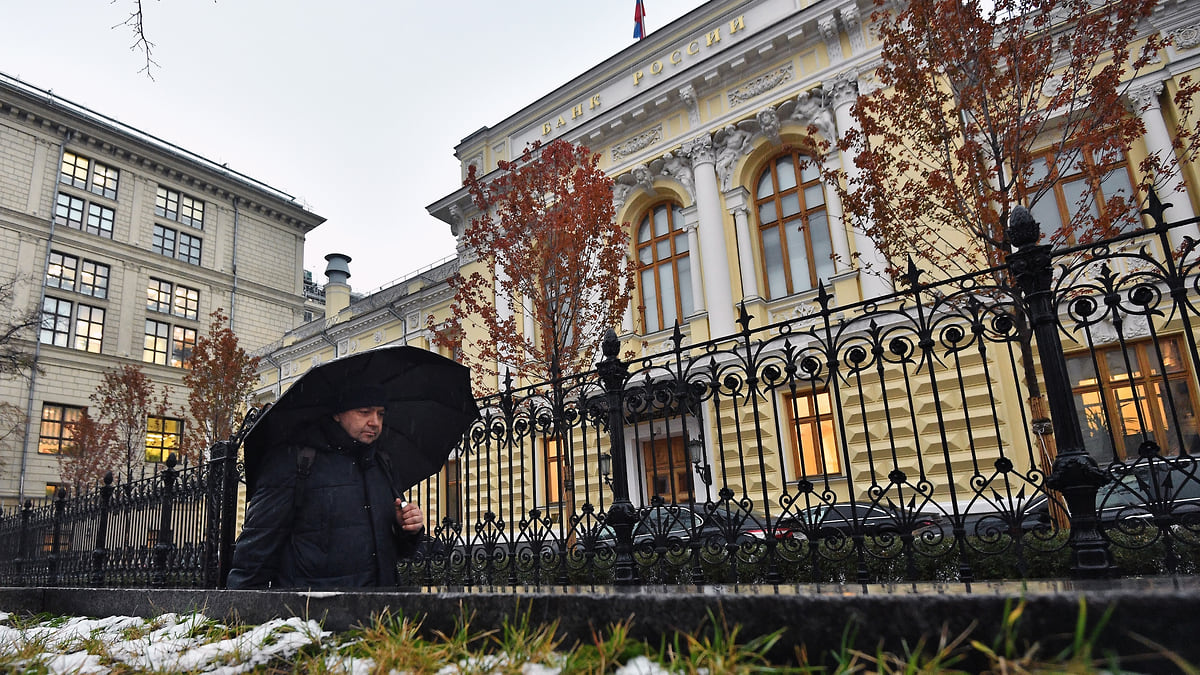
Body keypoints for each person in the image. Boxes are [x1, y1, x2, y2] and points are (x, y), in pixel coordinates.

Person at [226, 384, 425, 589]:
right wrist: (240, 612)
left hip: (379, 611)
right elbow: (257, 549)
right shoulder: (296, 462)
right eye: (364, 412)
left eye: (380, 414)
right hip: (314, 613)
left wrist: (406, 528)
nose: (375, 422)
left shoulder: (381, 463)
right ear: (338, 414)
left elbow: (394, 550)